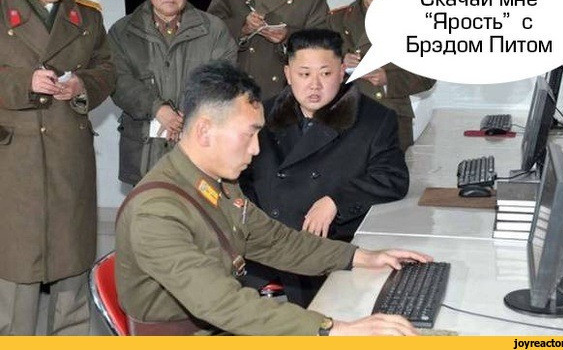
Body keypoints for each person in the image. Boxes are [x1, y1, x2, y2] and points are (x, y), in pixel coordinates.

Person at [115, 61, 431, 336]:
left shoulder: (217, 183)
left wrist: (359, 257)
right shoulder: (156, 212)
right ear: (204, 131)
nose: (256, 149)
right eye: (248, 134)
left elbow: (276, 241)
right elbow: (221, 303)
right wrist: (332, 330)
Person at [0, 0, 116, 335]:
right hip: (15, 163)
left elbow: (107, 69)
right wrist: (23, 83)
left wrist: (82, 85)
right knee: (17, 272)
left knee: (71, 267)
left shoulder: (86, 17)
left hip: (69, 157)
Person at [240, 28, 409, 305]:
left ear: (342, 72)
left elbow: (392, 178)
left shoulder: (374, 119)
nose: (314, 85)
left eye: (326, 73)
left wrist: (336, 201)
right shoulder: (261, 116)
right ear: (288, 74)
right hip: (264, 255)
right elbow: (238, 179)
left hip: (328, 256)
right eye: (304, 74)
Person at [109, 0, 237, 186]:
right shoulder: (122, 32)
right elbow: (118, 80)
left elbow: (225, 78)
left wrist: (190, 114)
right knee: (148, 208)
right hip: (144, 150)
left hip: (198, 147)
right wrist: (157, 108)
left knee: (199, 208)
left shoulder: (213, 30)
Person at [329, 0, 436, 150]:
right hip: (346, 118)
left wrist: (388, 78)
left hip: (391, 117)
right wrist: (338, 63)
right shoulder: (336, 20)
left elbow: (428, 76)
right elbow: (315, 68)